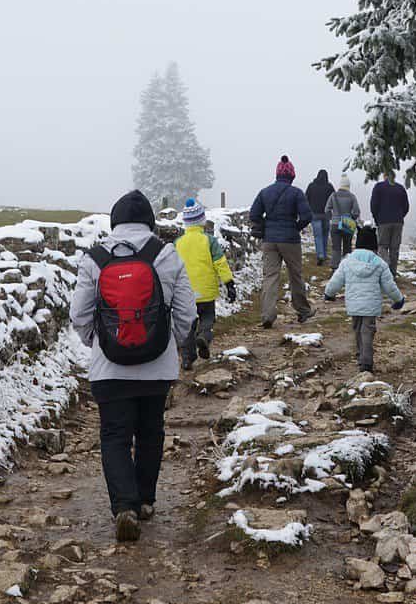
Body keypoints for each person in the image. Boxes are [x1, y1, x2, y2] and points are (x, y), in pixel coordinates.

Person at [70, 190, 197, 542]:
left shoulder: (94, 258)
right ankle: (144, 501)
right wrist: (174, 343)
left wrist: (96, 342)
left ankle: (124, 506)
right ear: (150, 223)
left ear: (114, 222)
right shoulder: (166, 254)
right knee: (150, 431)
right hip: (157, 366)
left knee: (114, 434)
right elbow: (186, 313)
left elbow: (79, 315)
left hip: (109, 368)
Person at [324, 225, 405, 373]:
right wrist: (398, 300)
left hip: (354, 305)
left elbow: (336, 280)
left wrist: (329, 293)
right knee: (367, 331)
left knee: (357, 329)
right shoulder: (380, 263)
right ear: (374, 243)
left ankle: (361, 355)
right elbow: (389, 285)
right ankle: (366, 362)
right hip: (371, 306)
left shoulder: (347, 261)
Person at [249, 155, 315, 329]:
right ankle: (302, 310)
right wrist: (296, 227)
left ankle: (267, 315)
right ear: (292, 176)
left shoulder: (264, 192)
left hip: (270, 241)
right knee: (295, 275)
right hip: (290, 240)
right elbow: (307, 216)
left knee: (270, 276)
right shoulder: (296, 193)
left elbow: (254, 215)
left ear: (277, 174)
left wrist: (266, 227)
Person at [174, 198, 237, 370]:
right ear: (201, 220)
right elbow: (220, 263)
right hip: (207, 292)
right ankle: (204, 336)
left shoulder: (178, 243)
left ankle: (187, 358)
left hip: (186, 293)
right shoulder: (209, 241)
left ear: (186, 222)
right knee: (207, 318)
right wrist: (229, 283)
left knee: (188, 326)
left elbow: (173, 268)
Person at [370, 170, 410, 275]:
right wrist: (400, 216)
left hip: (383, 221)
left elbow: (373, 204)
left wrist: (376, 218)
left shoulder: (378, 187)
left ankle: (385, 268)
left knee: (382, 246)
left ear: (385, 176)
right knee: (394, 248)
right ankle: (392, 273)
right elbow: (406, 206)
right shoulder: (400, 188)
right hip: (398, 222)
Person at [326, 175, 361, 269]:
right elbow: (356, 211)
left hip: (335, 224)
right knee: (347, 247)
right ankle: (347, 267)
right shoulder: (352, 196)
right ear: (348, 186)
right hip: (347, 224)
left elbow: (327, 209)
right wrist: (352, 218)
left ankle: (334, 267)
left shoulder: (333, 195)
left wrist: (332, 218)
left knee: (336, 247)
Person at [305, 169, 334, 266]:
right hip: (326, 214)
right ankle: (324, 254)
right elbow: (334, 199)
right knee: (325, 236)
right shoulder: (329, 187)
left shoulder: (311, 186)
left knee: (318, 236)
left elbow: (306, 199)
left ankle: (320, 255)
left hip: (315, 215)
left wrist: (309, 210)